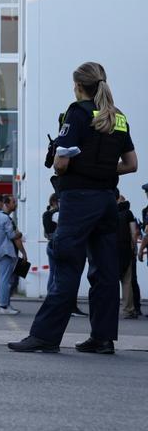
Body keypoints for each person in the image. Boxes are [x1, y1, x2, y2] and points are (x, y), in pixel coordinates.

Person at [11, 61, 136, 355]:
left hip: (79, 201)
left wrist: (61, 162)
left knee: (67, 264)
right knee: (104, 272)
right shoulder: (119, 118)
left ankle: (45, 336)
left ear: (78, 86)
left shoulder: (77, 113)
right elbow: (131, 165)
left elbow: (63, 163)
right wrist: (104, 171)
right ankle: (102, 339)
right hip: (108, 201)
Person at [116, 195, 140, 319]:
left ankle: (110, 308)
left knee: (112, 280)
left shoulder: (110, 212)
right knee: (127, 280)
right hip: (125, 250)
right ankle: (128, 309)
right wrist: (134, 247)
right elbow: (134, 232)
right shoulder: (128, 213)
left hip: (112, 250)